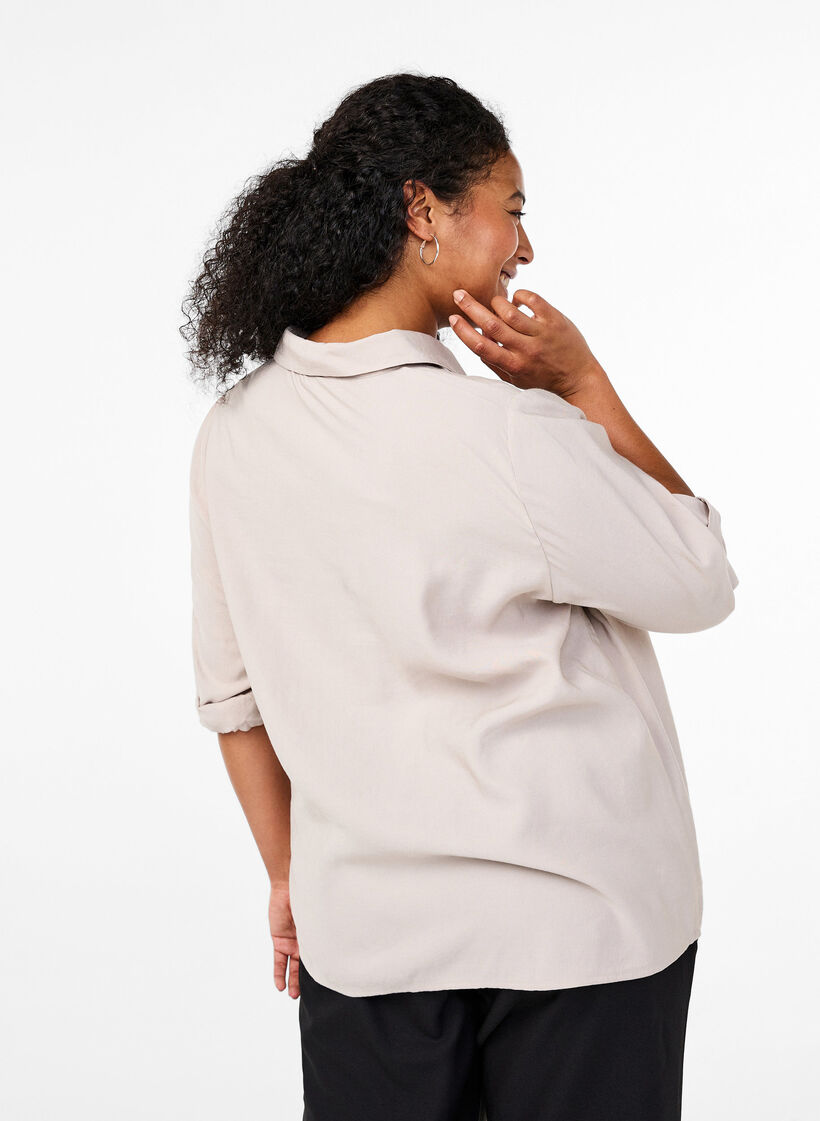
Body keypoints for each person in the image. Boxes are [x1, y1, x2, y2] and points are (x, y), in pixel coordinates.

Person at [181, 72, 739, 1121]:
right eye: (512, 208)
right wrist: (582, 387)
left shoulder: (233, 436)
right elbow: (700, 576)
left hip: (369, 946)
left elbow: (235, 703)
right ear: (422, 211)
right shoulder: (510, 435)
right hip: (582, 932)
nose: (524, 246)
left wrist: (291, 879)